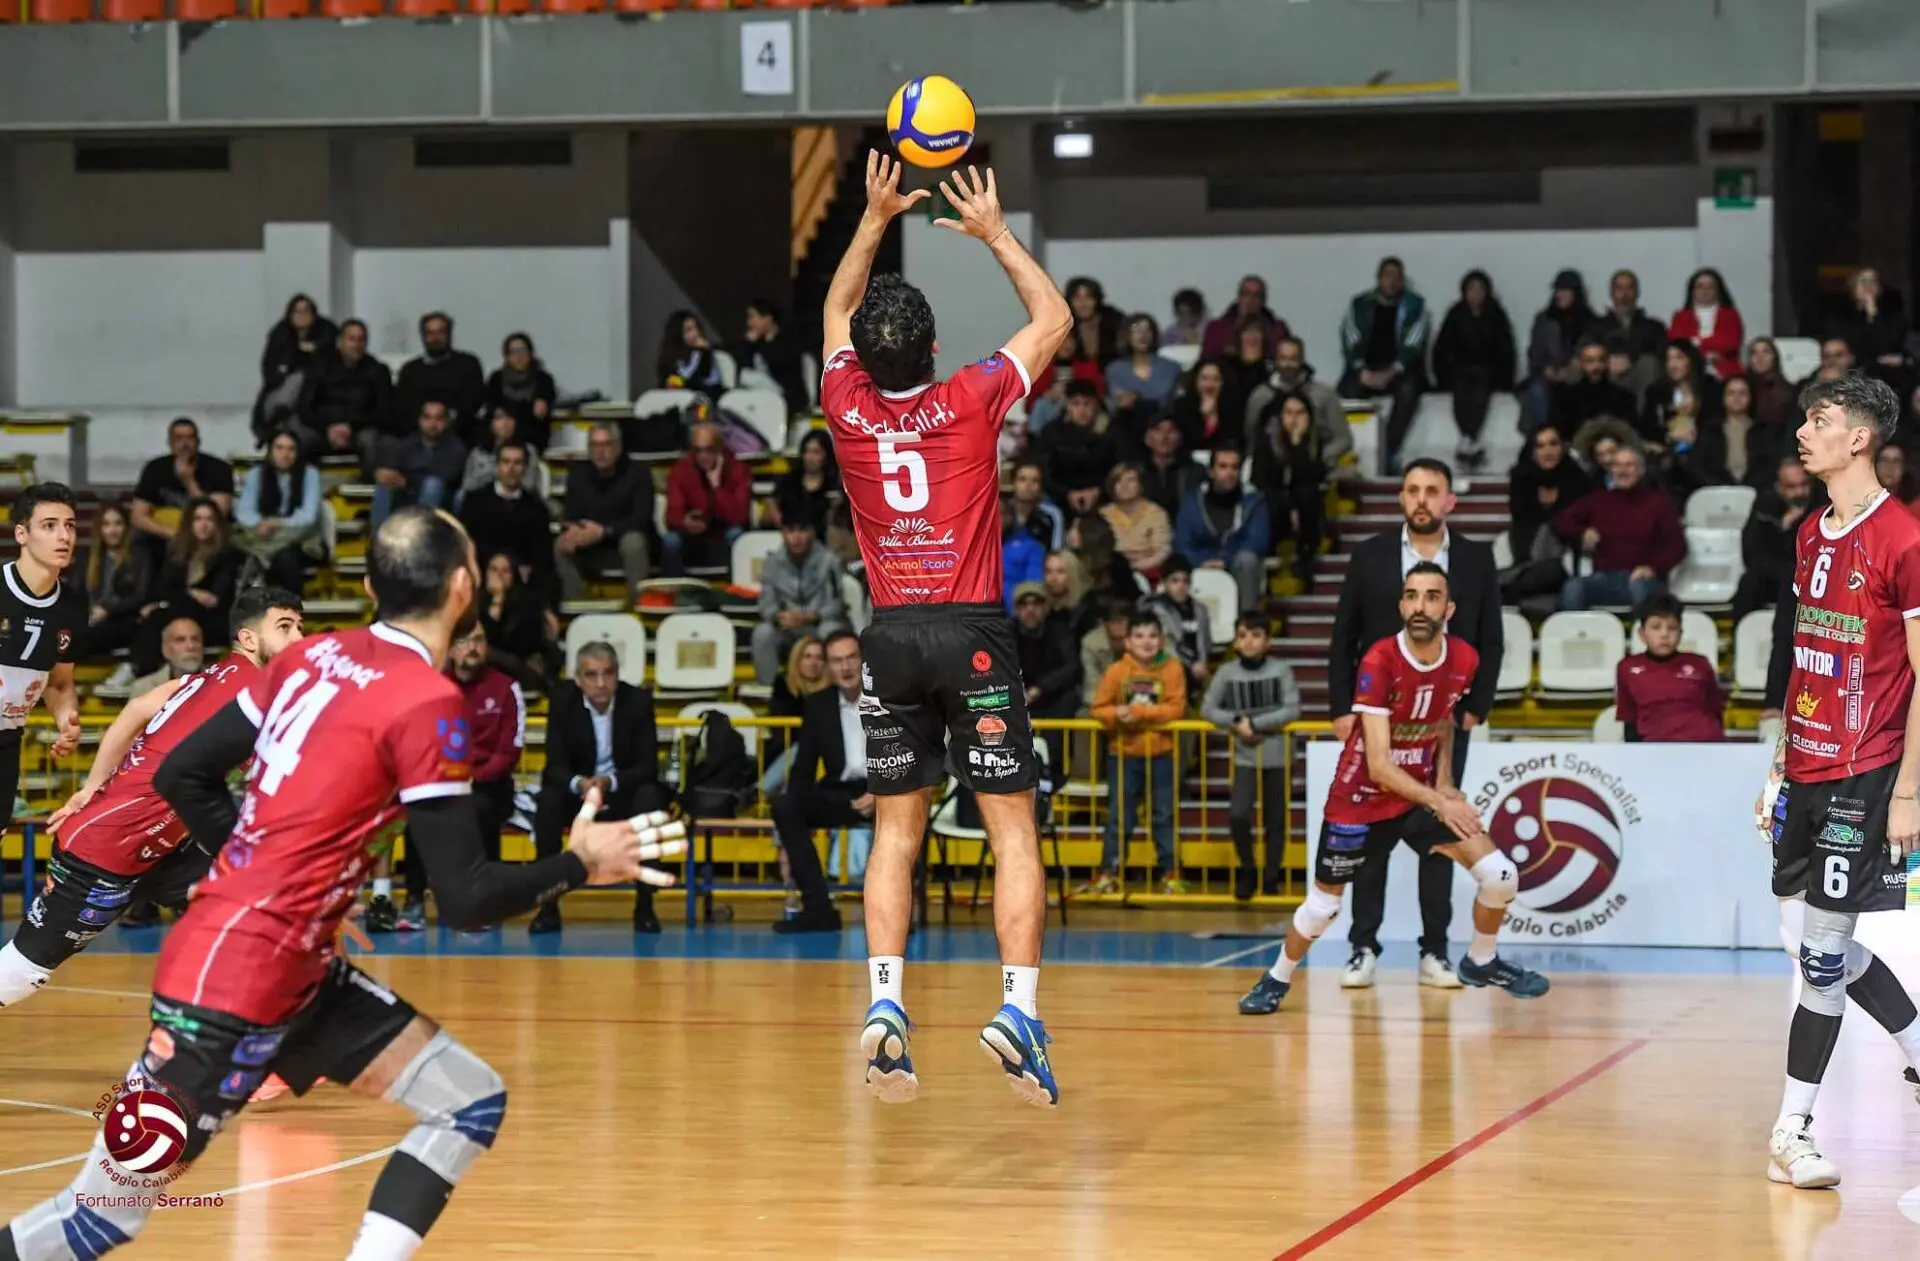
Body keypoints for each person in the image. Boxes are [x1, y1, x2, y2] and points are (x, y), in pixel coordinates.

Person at [0, 508, 684, 1259]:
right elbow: (465, 898)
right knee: (98, 1217)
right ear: (464, 589)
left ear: (368, 585)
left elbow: (183, 771)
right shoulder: (429, 702)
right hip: (228, 990)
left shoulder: (306, 659)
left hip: (292, 971)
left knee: (469, 1101)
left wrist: (259, 874)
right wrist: (580, 863)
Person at [820, 153, 1070, 1106]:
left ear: (866, 359)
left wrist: (876, 214)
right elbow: (1056, 321)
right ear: (928, 351)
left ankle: (885, 1003)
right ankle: (1018, 1011)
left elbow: (838, 311)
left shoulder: (844, 407)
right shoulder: (968, 396)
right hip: (969, 630)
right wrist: (996, 232)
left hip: (888, 634)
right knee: (1013, 828)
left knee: (897, 829)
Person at [1238, 562, 1549, 1014]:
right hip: (1359, 800)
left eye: (1432, 596)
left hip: (1416, 797)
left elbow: (1443, 719)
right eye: (1413, 595)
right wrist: (1440, 801)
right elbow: (1380, 765)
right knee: (1323, 907)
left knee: (1501, 876)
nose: (1421, 605)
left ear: (1449, 607)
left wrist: (1443, 781)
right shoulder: (1380, 660)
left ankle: (1480, 960)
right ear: (1402, 604)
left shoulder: (1464, 658)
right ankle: (1276, 978)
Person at [1753, 371, 1920, 1189]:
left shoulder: (1906, 540)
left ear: (1859, 437)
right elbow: (1803, 654)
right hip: (1807, 764)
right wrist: (1778, 758)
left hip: (1867, 770)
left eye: (1817, 420)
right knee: (1804, 937)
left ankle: (1792, 1128)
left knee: (1821, 956)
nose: (1801, 432)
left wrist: (1911, 793)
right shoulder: (1810, 532)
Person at [0, 588, 305, 1002]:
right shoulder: (256, 693)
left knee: (252, 927)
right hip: (107, 849)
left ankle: (191, 1050)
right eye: (284, 628)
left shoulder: (207, 677)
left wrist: (92, 785)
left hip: (165, 849)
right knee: (22, 972)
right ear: (249, 639)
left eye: (300, 627)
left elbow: (136, 708)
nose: (299, 639)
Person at [1328, 459, 1502, 990]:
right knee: (1370, 836)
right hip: (1379, 719)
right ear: (1401, 498)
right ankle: (1362, 946)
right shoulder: (1370, 555)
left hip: (1443, 720)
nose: (1421, 499)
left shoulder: (1474, 558)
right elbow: (1344, 636)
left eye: (1432, 491)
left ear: (1450, 500)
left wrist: (1480, 702)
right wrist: (1342, 708)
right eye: (1412, 490)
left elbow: (1490, 634)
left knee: (1442, 829)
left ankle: (1436, 951)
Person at [530, 641, 670, 935]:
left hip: (623, 791)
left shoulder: (638, 702)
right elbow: (555, 766)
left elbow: (647, 766)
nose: (601, 683)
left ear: (618, 674)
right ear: (578, 678)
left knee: (650, 798)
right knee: (548, 802)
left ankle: (645, 905)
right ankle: (548, 907)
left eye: (608, 673)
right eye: (591, 675)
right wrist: (580, 784)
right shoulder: (562, 700)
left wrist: (610, 782)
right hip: (578, 794)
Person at [0, 484, 85, 846]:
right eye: (49, 525)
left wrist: (66, 720)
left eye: (70, 525)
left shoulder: (72, 606)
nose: (63, 536)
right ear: (22, 533)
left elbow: (60, 682)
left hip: (8, 737)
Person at [769, 630, 871, 934]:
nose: (846, 667)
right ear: (828, 667)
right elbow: (803, 770)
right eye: (837, 661)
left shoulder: (888, 699)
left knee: (902, 810)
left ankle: (894, 913)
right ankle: (818, 908)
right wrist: (785, 832)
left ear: (864, 661)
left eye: (852, 658)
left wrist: (880, 793)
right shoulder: (819, 704)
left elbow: (909, 756)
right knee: (787, 806)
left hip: (883, 791)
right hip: (840, 793)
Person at [1086, 614, 1187, 895]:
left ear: (1162, 640)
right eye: (1140, 636)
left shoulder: (1173, 669)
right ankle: (1109, 872)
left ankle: (1170, 873)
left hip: (1163, 754)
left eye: (1153, 636)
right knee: (1120, 817)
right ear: (1128, 641)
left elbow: (1176, 709)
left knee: (1164, 816)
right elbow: (1098, 708)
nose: (1147, 642)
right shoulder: (1117, 671)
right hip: (1123, 754)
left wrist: (1137, 713)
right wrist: (1117, 715)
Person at [1201, 616, 1300, 900]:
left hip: (1279, 755)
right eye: (1243, 635)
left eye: (1256, 635)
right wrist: (1236, 721)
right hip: (1245, 756)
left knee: (1275, 820)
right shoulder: (1227, 672)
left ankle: (1271, 875)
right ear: (1235, 640)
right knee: (1239, 814)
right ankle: (1248, 869)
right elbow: (1208, 708)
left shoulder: (1281, 670)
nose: (1249, 641)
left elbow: (1292, 709)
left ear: (1267, 640)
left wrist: (1255, 724)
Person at [554, 424, 654, 603]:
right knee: (561, 544)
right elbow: (571, 514)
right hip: (591, 548)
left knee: (633, 541)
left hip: (626, 545)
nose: (600, 451)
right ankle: (577, 608)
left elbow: (642, 519)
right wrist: (575, 530)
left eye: (606, 444)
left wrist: (604, 531)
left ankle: (639, 606)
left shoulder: (638, 472)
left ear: (618, 447)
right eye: (594, 445)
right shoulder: (578, 473)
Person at [1429, 268, 1517, 470]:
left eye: (1480, 289)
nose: (1476, 294)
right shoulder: (1455, 313)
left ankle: (1470, 438)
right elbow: (1441, 348)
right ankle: (1468, 438)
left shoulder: (1496, 314)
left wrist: (1506, 378)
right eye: (1471, 289)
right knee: (1462, 386)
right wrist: (1442, 374)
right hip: (1459, 371)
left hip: (1489, 372)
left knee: (1480, 386)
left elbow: (1506, 349)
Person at [1174, 446, 1270, 614]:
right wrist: (1202, 561)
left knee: (1248, 560)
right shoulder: (1192, 502)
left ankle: (1245, 622)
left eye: (1234, 467)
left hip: (1236, 565)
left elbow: (1258, 542)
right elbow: (1182, 543)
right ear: (1211, 471)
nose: (1229, 473)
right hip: (1197, 566)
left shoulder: (1254, 501)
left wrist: (1224, 561)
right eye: (1223, 466)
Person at [752, 518, 848, 684]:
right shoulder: (772, 563)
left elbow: (838, 604)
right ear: (782, 533)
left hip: (820, 623)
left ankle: (835, 687)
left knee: (832, 631)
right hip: (787, 627)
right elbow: (766, 604)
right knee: (762, 634)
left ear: (811, 532)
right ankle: (770, 691)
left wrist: (810, 617)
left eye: (802, 530)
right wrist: (779, 617)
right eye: (790, 531)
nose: (796, 537)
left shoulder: (829, 560)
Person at [1616, 594, 1724, 742]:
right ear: (1642, 634)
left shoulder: (1701, 664)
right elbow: (1629, 720)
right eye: (1656, 627)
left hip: (1704, 744)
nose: (1664, 634)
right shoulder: (1626, 668)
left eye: (1672, 627)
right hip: (1656, 748)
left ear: (1680, 633)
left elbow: (1715, 712)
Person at [233, 429, 323, 593]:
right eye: (279, 448)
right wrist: (260, 524)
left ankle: (293, 607)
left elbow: (308, 517)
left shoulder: (310, 474)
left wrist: (278, 523)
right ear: (270, 451)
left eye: (291, 449)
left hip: (300, 541)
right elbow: (244, 512)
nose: (285, 454)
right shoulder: (256, 474)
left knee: (284, 557)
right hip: (261, 536)